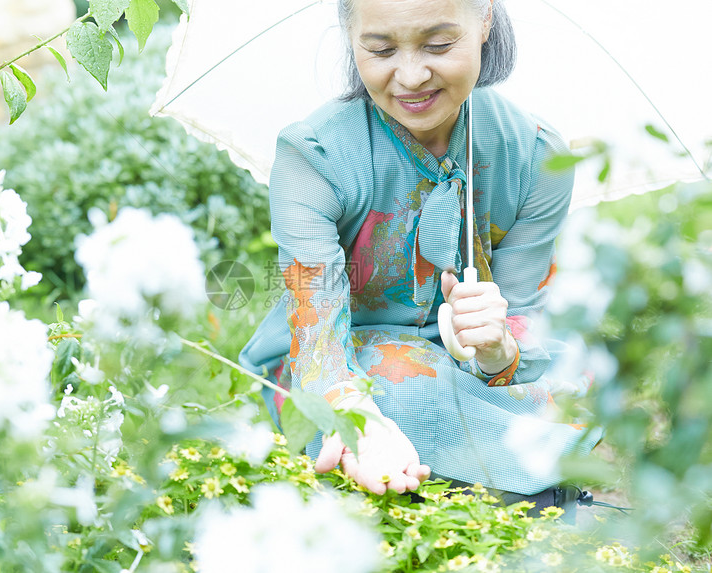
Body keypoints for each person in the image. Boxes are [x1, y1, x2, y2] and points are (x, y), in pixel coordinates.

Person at [239, 0, 601, 507]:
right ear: (350, 37)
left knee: (579, 385)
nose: (411, 76)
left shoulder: (537, 157)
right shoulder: (312, 156)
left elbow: (525, 320)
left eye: (438, 45)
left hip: (474, 374)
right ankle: (517, 480)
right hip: (341, 362)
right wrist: (356, 416)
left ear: (485, 23)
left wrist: (497, 346)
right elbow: (317, 335)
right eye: (381, 49)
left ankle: (452, 462)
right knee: (403, 387)